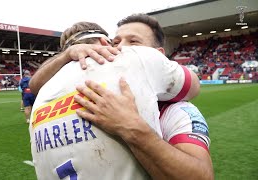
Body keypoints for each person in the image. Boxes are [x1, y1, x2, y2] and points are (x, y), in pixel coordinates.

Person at [30, 14, 213, 180]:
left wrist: (132, 128)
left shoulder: (176, 111)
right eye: (115, 41)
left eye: (133, 42)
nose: (121, 48)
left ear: (158, 56)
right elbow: (193, 86)